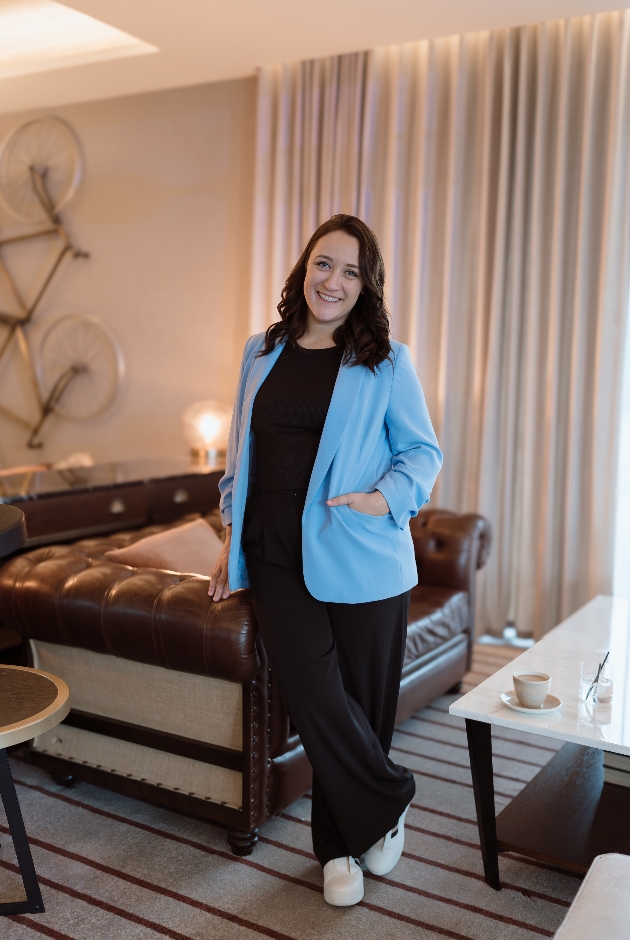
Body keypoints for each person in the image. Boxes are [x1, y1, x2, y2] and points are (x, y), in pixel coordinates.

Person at [208, 214, 442, 907]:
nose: (332, 281)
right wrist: (230, 535)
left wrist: (383, 498)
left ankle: (338, 847)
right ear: (302, 269)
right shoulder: (261, 351)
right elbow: (237, 459)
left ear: (366, 285)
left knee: (364, 706)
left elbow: (423, 453)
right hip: (272, 553)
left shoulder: (385, 360)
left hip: (362, 550)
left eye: (349, 271)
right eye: (322, 264)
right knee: (315, 698)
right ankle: (387, 797)